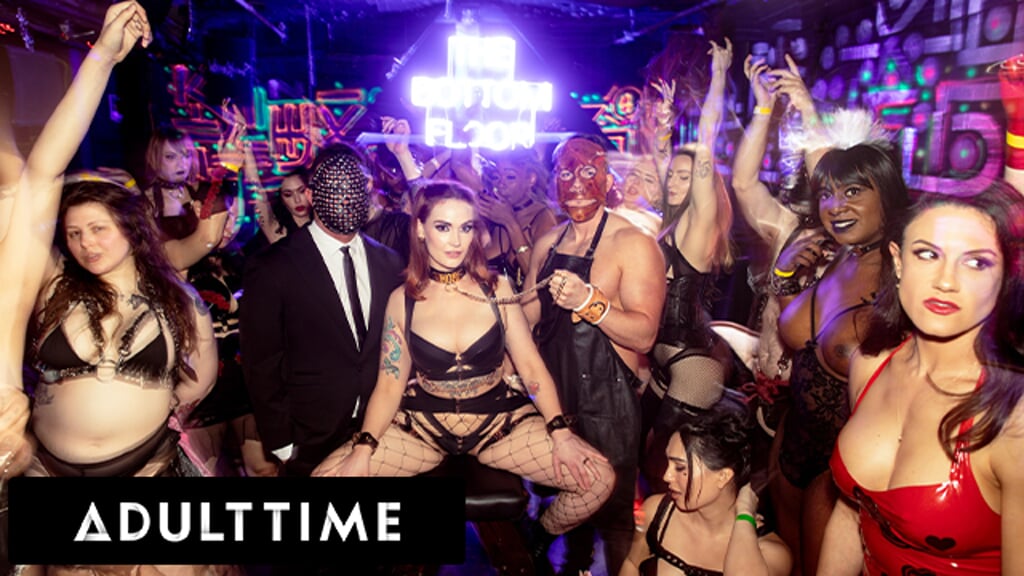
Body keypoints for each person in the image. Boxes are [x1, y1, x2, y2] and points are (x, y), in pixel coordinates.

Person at [314, 180, 614, 542]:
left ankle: (537, 537)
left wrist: (560, 431)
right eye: (443, 227)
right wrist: (364, 448)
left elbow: (531, 367)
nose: (456, 241)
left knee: (600, 480)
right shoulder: (402, 300)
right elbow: (390, 385)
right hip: (424, 430)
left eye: (466, 227)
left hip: (498, 427)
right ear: (420, 229)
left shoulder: (497, 289)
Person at [819, 179, 1024, 574]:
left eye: (976, 262)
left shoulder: (1013, 418)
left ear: (1005, 278)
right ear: (898, 262)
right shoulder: (870, 364)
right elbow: (851, 513)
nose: (945, 281)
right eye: (928, 254)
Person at [523, 134, 666, 575]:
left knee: (613, 516)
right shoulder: (547, 244)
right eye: (566, 173)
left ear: (607, 178)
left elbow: (645, 335)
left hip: (609, 400)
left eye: (589, 172)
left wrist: (590, 302)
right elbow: (525, 320)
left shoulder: (633, 243)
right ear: (554, 182)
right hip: (554, 398)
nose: (578, 184)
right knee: (562, 504)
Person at [770, 135, 909, 575]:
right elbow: (800, 330)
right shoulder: (841, 257)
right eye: (827, 194)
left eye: (852, 191)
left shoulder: (903, 279)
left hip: (838, 473)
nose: (835, 206)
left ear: (887, 193)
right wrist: (784, 273)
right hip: (789, 447)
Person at [240, 143, 405, 477]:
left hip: (380, 428)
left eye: (353, 189)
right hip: (308, 434)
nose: (345, 199)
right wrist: (281, 440)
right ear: (313, 195)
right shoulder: (273, 266)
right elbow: (262, 361)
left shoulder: (389, 262)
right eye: (335, 190)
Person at [639, 39, 737, 497]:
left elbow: (705, 147)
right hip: (665, 364)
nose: (675, 181)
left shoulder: (698, 227)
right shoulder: (669, 223)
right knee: (647, 459)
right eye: (672, 177)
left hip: (693, 368)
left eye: (685, 176)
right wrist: (661, 121)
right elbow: (662, 160)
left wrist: (717, 79)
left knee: (665, 468)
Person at [621, 391, 792, 576]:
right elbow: (632, 564)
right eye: (668, 463)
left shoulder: (771, 554)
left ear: (723, 476)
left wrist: (744, 513)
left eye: (680, 468)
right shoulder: (656, 512)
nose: (666, 476)